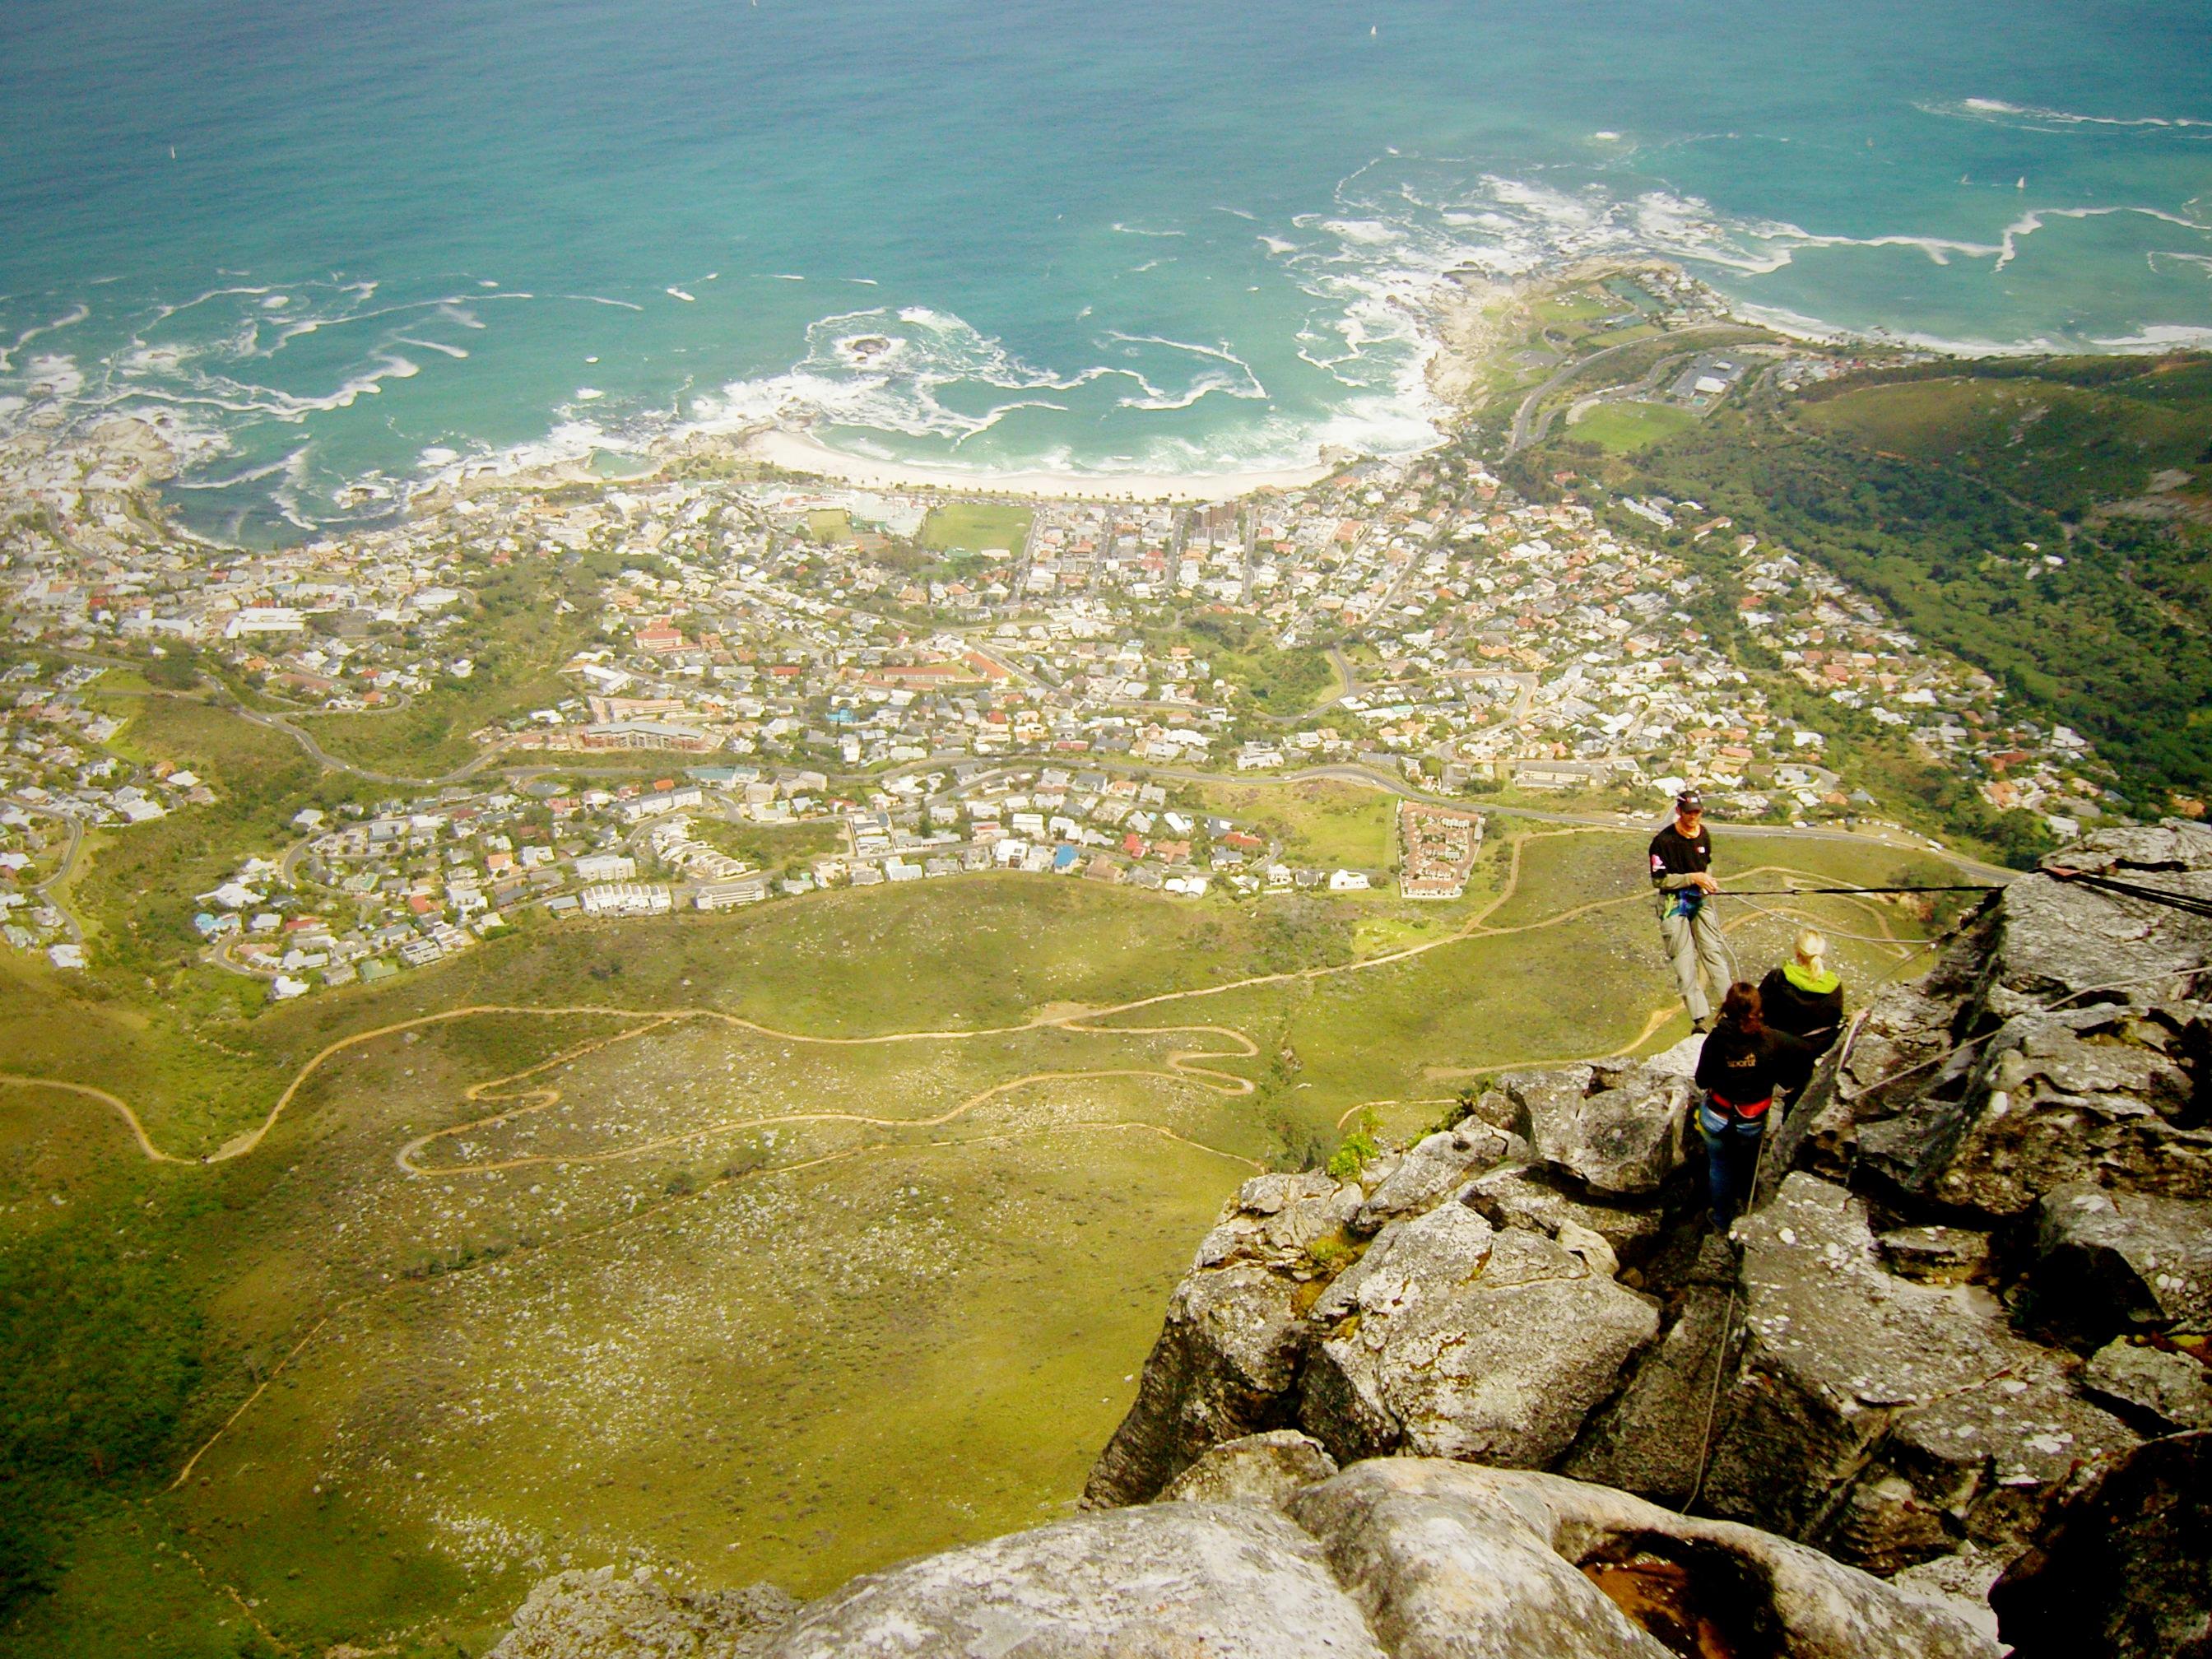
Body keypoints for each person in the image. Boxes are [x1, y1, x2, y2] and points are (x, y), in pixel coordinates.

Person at [1693, 982, 1808, 1233]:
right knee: (1748, 1160)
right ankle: (1746, 1201)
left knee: (1720, 1167)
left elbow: (1702, 1080)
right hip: (1751, 1119)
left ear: (1726, 1008)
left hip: (1717, 1116)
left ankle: (1722, 1219)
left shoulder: (1715, 1041)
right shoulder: (1772, 1041)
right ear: (1759, 1010)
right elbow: (1804, 1051)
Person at [1649, 788, 1732, 1033]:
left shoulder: (1703, 835)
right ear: (1679, 812)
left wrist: (1708, 880)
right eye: (1689, 812)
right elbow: (1660, 881)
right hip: (1674, 906)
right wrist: (1692, 878)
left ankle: (1733, 1011)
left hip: (1701, 902)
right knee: (1684, 963)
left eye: (1697, 812)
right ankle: (1700, 1021)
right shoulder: (1663, 842)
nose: (1693, 816)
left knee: (1713, 953)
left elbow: (1708, 864)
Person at [1758, 929, 1845, 1060]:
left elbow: (1757, 1007)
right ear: (1822, 954)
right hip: (1808, 1051)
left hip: (1772, 1044)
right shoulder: (1834, 987)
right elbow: (1833, 1020)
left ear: (1797, 952)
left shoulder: (1778, 977)